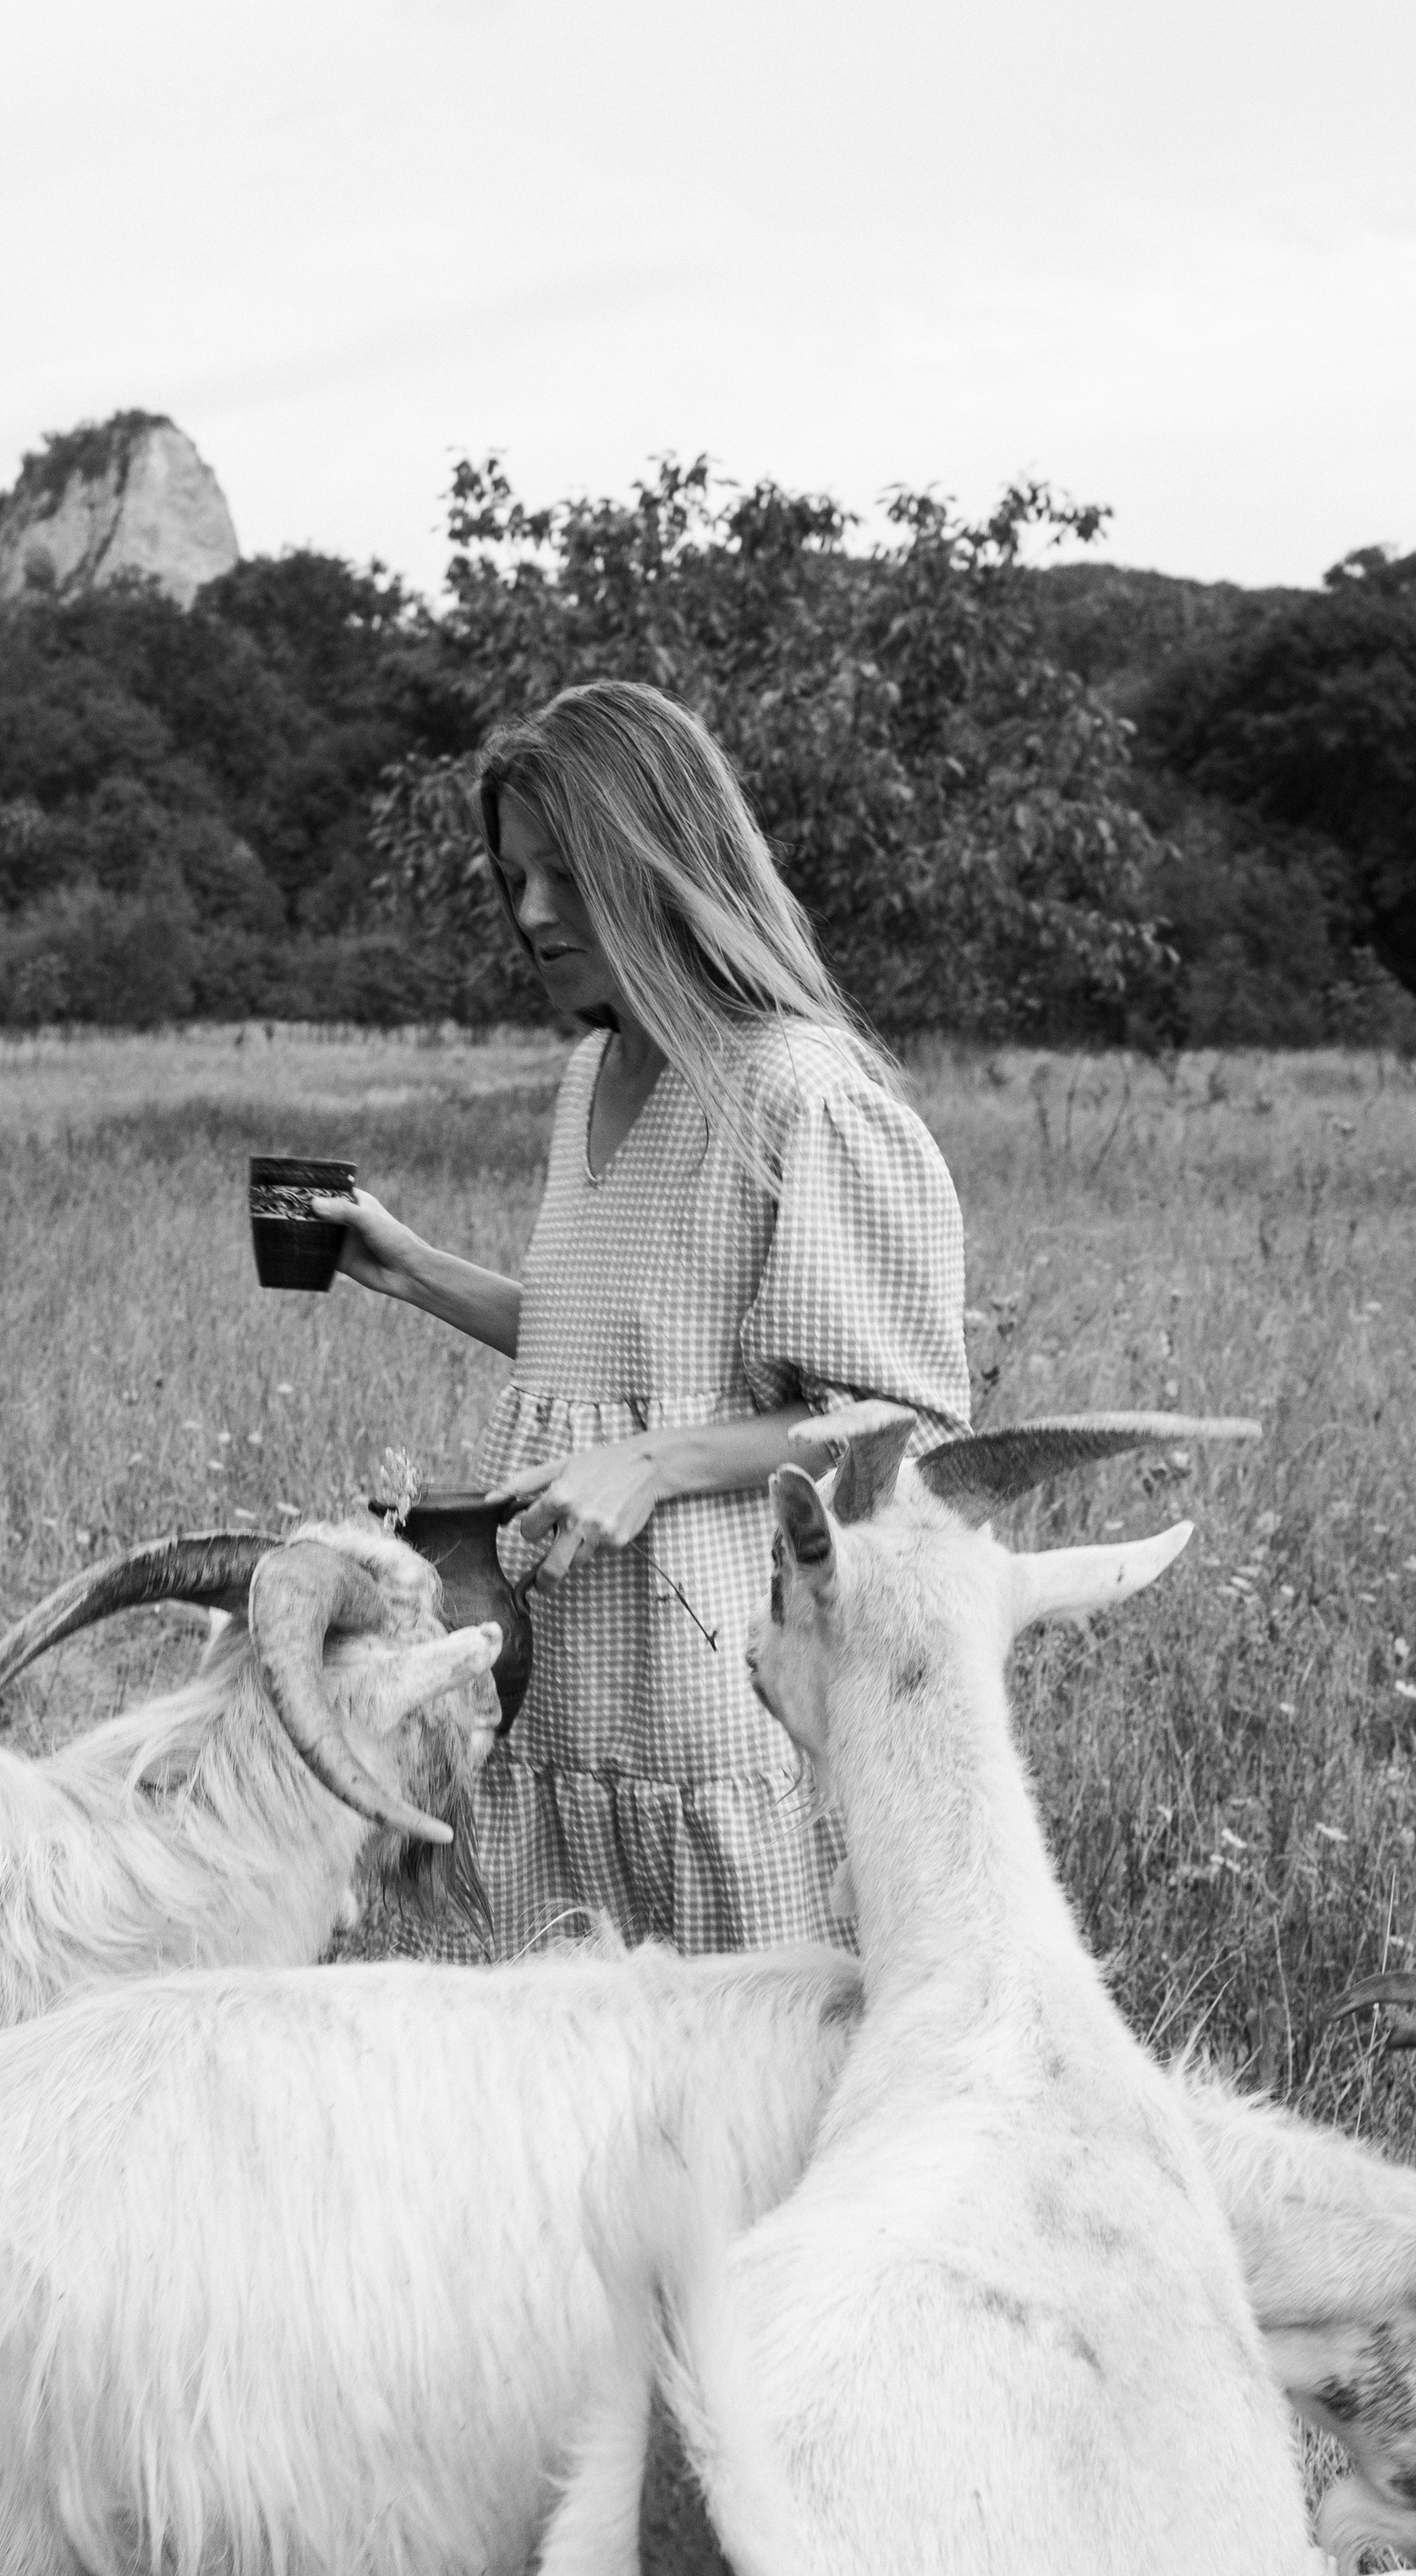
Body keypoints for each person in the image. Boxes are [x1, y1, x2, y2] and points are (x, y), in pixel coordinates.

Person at [320, 679, 969, 1956]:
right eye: (515, 876)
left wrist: (658, 1463)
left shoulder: (799, 1094)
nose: (535, 910)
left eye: (569, 870)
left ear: (665, 861)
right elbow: (620, 1360)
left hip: (710, 1708)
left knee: (727, 2106)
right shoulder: (587, 1077)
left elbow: (897, 1425)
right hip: (551, 1688)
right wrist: (407, 1270)